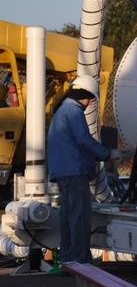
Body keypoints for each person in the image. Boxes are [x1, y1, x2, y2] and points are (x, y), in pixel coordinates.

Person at [48, 76, 112, 267]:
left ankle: (68, 261)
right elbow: (83, 139)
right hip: (74, 173)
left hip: (63, 173)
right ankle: (81, 262)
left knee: (69, 217)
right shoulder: (74, 111)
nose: (90, 102)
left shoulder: (62, 111)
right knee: (80, 218)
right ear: (83, 95)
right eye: (89, 98)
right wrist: (106, 154)